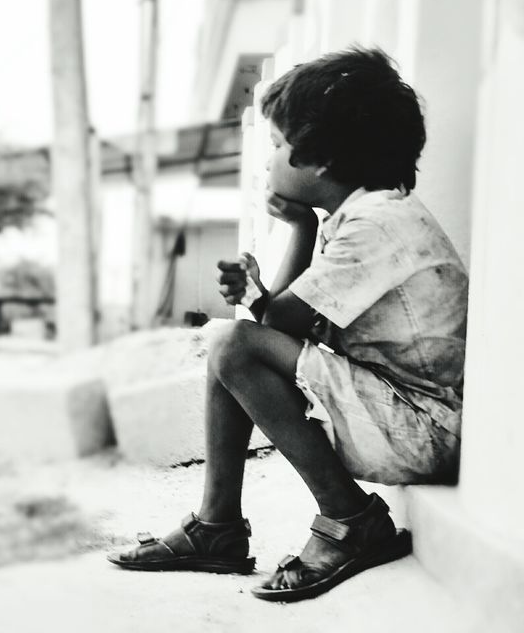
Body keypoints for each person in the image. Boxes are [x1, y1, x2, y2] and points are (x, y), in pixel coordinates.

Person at [107, 47, 468, 602]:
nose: (267, 161)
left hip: (424, 427)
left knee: (233, 342)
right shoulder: (359, 216)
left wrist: (286, 245)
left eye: (276, 145)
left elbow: (277, 321)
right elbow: (287, 327)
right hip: (395, 410)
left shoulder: (377, 225)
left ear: (320, 161)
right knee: (229, 345)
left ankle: (349, 519)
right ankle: (216, 526)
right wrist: (266, 288)